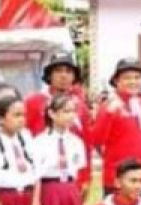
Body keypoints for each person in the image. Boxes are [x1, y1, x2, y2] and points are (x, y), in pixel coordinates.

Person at [90, 58, 141, 199]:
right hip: (118, 178)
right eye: (127, 78)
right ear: (117, 81)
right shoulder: (109, 106)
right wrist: (109, 114)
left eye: (137, 77)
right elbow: (96, 139)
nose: (133, 82)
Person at [30, 93, 86, 205]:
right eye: (65, 111)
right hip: (49, 188)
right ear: (52, 114)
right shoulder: (39, 142)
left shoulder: (76, 141)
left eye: (73, 111)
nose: (70, 116)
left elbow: (78, 169)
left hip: (69, 187)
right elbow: (36, 175)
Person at [24, 51, 92, 186]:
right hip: (42, 176)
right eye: (58, 71)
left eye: (68, 71)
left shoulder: (80, 106)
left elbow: (86, 142)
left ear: (74, 76)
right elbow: (24, 136)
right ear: (49, 75)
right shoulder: (34, 102)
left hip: (72, 175)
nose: (63, 75)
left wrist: (86, 177)